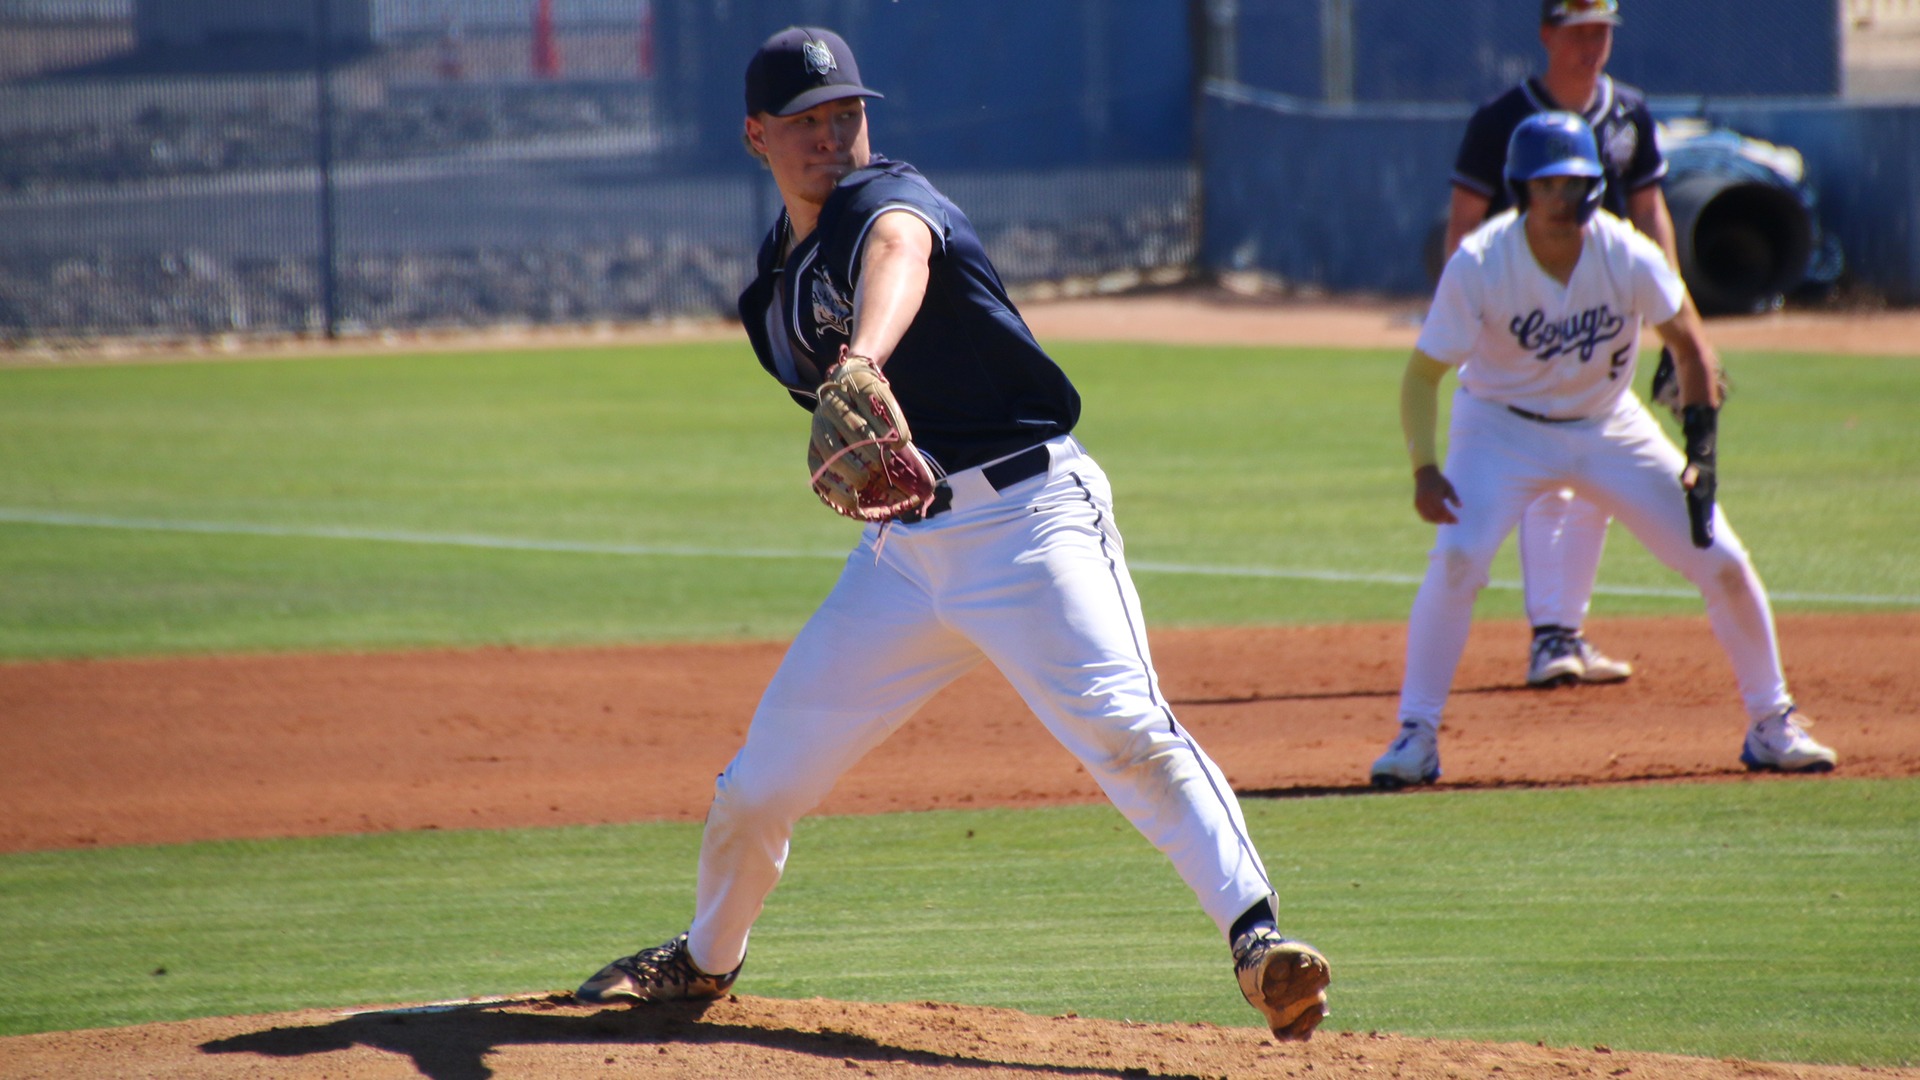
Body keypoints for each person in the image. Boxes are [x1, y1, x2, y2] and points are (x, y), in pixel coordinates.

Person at [573, 26, 1332, 1042]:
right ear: (756, 135)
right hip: (903, 556)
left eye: (846, 113)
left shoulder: (887, 201)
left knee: (1124, 729)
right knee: (758, 786)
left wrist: (864, 359)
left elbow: (901, 251)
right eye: (805, 121)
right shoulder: (774, 291)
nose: (831, 135)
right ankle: (706, 958)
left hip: (1031, 523)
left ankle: (1257, 942)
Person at [1369, 111, 1838, 790]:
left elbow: (1690, 345)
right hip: (1499, 428)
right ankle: (1416, 734)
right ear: (1522, 190)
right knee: (1459, 559)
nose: (1563, 199)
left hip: (1607, 423)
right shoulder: (1482, 261)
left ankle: (1773, 722)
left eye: (1576, 184)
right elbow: (1421, 375)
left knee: (1723, 560)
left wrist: (1702, 456)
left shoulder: (1626, 252)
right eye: (1547, 185)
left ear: (1596, 186)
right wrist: (1424, 468)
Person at [1443, 0, 1679, 690]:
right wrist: (1466, 316)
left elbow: (1649, 210)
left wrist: (1675, 321)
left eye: (1602, 31)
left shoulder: (1630, 112)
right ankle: (1551, 635)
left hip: (1602, 315)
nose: (1591, 44)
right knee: (1551, 462)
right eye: (1578, 31)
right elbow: (1463, 219)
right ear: (1547, 35)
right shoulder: (1502, 118)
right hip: (1522, 316)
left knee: (1593, 468)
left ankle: (1563, 630)